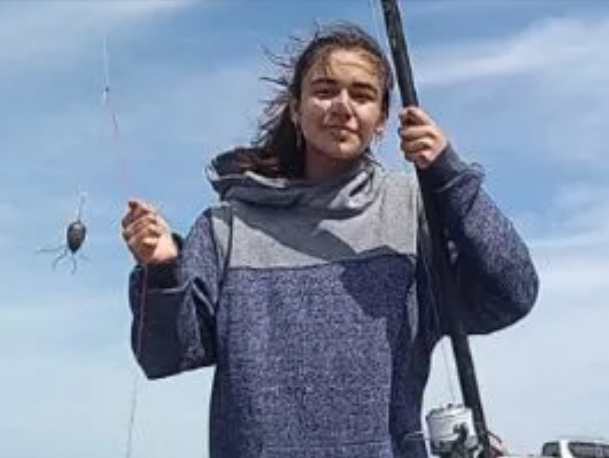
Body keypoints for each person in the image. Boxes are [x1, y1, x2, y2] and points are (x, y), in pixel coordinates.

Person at [121, 22, 539, 458]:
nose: (342, 106)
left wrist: (449, 175)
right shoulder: (226, 226)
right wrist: (161, 269)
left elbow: (511, 294)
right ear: (295, 109)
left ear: (382, 120)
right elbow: (163, 355)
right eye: (324, 91)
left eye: (362, 95)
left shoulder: (414, 210)